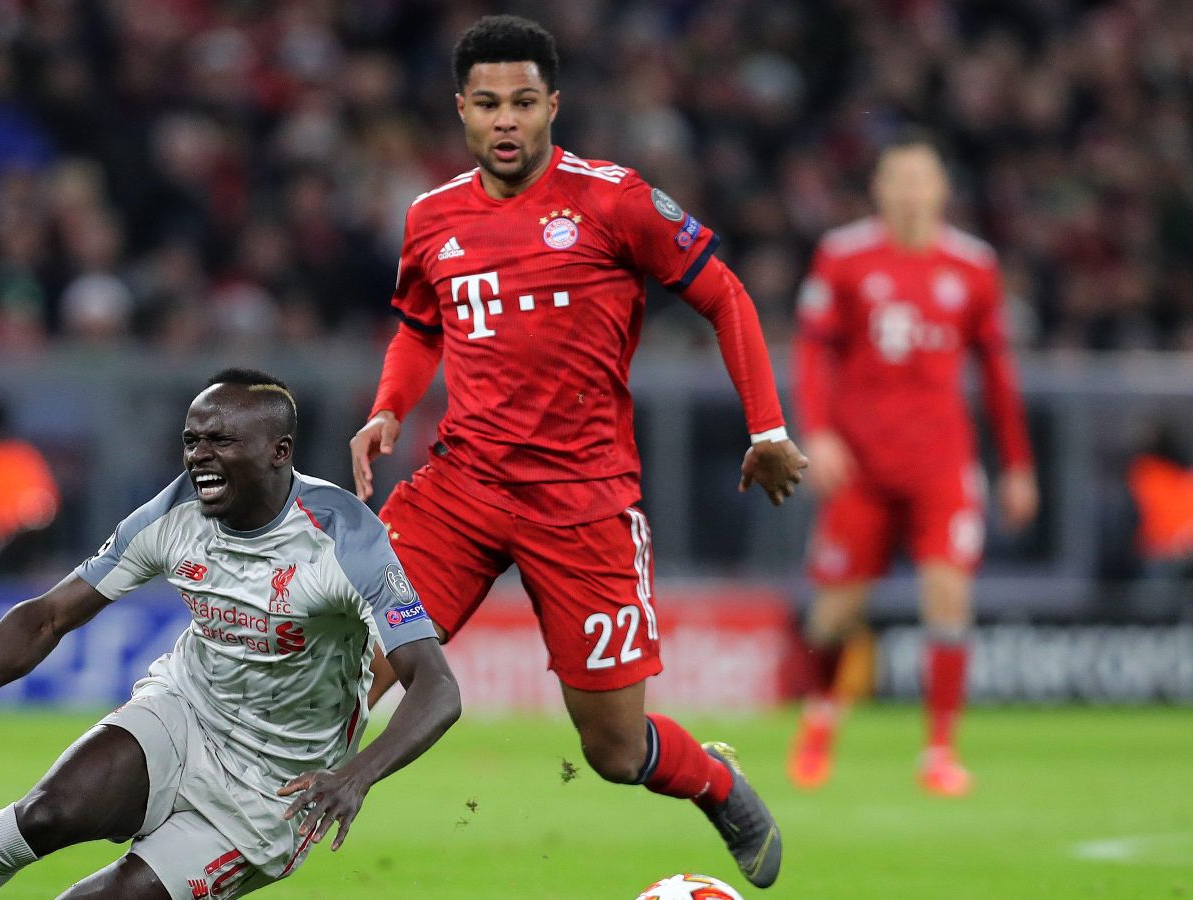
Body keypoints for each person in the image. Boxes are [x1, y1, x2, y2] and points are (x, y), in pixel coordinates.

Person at [348, 16, 805, 889]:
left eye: (523, 102)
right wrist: (388, 408)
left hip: (583, 504)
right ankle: (235, 833)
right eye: (488, 103)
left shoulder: (614, 200)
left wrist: (769, 430)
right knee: (346, 674)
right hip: (460, 489)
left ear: (552, 106)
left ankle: (715, 782)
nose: (506, 120)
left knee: (614, 749)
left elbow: (725, 295)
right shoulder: (431, 217)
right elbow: (419, 324)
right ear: (461, 109)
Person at [0, 369, 461, 900]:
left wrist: (357, 774)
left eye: (221, 441)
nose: (199, 456)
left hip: (275, 789)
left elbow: (437, 687)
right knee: (44, 814)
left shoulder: (345, 538)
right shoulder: (175, 513)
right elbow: (48, 615)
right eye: (192, 440)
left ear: (279, 451)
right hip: (185, 712)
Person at [789, 131, 1039, 796]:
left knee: (949, 595)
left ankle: (939, 751)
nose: (908, 193)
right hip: (860, 465)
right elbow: (811, 352)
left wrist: (1017, 463)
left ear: (941, 189)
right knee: (835, 612)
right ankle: (820, 720)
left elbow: (997, 374)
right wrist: (819, 434)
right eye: (897, 180)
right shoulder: (842, 256)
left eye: (920, 180)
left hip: (941, 462)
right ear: (878, 189)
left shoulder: (974, 266)